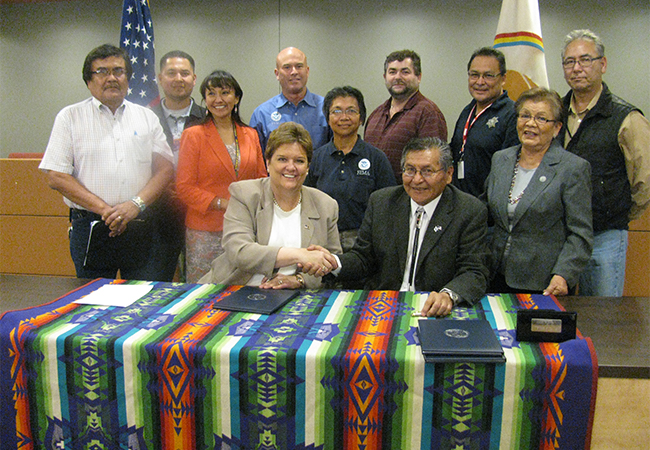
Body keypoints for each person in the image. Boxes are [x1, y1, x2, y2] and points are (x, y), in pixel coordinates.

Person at [39, 44, 174, 279]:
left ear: (128, 78)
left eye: (118, 71)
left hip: (139, 222)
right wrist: (105, 210)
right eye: (102, 72)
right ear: (88, 81)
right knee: (92, 304)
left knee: (143, 300)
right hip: (91, 225)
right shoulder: (69, 117)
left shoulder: (146, 117)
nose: (111, 78)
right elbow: (56, 176)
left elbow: (164, 170)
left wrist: (134, 205)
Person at [321, 137, 489, 317]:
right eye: (410, 170)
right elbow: (363, 259)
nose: (417, 180)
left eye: (427, 171)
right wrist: (332, 262)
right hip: (384, 305)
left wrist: (448, 295)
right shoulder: (382, 202)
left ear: (448, 174)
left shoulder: (469, 210)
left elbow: (474, 271)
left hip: (434, 309)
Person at [559, 29, 650, 297]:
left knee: (602, 318)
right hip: (560, 237)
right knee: (558, 319)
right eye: (569, 61)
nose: (577, 68)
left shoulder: (627, 118)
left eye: (585, 60)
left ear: (603, 64)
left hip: (604, 237)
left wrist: (616, 213)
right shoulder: (555, 114)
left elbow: (644, 182)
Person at [200, 122, 342, 289]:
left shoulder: (326, 205)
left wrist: (299, 280)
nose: (291, 167)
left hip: (295, 295)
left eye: (299, 161)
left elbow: (332, 261)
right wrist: (299, 255)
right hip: (236, 288)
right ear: (268, 162)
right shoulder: (244, 194)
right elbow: (239, 251)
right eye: (282, 159)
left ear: (308, 167)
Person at [486, 87, 593, 296]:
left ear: (556, 128)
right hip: (495, 275)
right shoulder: (501, 159)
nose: (530, 123)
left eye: (541, 118)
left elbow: (580, 234)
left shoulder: (572, 168)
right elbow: (485, 209)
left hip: (544, 282)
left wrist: (563, 274)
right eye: (525, 115)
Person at [176, 70, 267, 283]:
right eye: (211, 94)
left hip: (246, 228)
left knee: (243, 286)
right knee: (203, 291)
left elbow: (262, 178)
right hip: (206, 229)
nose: (218, 100)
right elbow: (184, 187)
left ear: (236, 98)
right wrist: (222, 203)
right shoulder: (193, 135)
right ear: (205, 100)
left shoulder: (250, 134)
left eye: (225, 92)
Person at [305, 86, 396, 251]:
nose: (344, 117)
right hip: (322, 244)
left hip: (364, 245)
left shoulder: (377, 158)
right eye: (337, 111)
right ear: (327, 117)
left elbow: (388, 208)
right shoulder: (317, 158)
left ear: (361, 118)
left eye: (351, 111)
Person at [147, 50, 206, 281]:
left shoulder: (209, 118)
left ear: (194, 78)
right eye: (171, 73)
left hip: (199, 213)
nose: (178, 79)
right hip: (156, 214)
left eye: (184, 73)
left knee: (200, 283)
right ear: (160, 78)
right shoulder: (144, 118)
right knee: (156, 281)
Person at [364, 50, 447, 181]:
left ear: (418, 77)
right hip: (376, 196)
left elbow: (432, 165)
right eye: (392, 72)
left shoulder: (427, 113)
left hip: (408, 196)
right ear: (385, 77)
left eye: (405, 72)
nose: (397, 77)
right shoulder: (376, 114)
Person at [451, 47, 519, 198]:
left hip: (489, 207)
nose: (480, 82)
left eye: (488, 76)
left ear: (503, 78)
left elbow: (511, 170)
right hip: (461, 202)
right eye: (474, 75)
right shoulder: (467, 111)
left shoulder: (513, 114)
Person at [250, 47, 330, 152]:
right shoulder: (261, 115)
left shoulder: (326, 108)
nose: (294, 72)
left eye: (299, 66)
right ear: (277, 74)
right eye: (287, 67)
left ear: (307, 71)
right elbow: (256, 159)